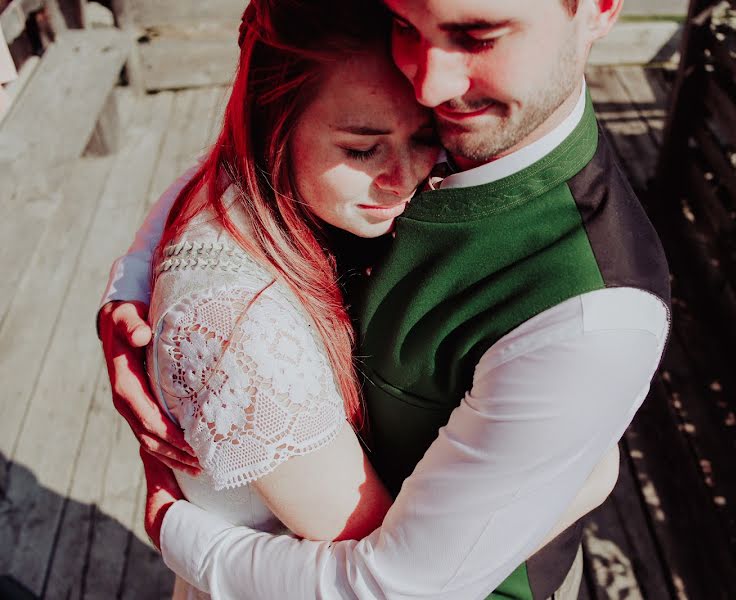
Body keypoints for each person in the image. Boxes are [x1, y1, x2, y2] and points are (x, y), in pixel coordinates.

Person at [99, 0, 671, 597]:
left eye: (478, 35)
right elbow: (252, 147)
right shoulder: (409, 92)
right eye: (405, 26)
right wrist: (134, 282)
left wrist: (176, 532)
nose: (430, 83)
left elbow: (397, 585)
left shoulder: (593, 319)